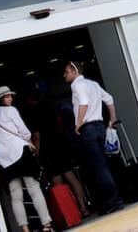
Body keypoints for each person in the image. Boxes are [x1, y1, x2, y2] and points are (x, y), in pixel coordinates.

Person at [0, 86, 53, 232]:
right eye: (8, 96)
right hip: (21, 154)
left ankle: (24, 228)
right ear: (1, 99)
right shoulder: (11, 111)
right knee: (34, 189)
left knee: (16, 196)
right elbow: (24, 132)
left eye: (10, 96)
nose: (11, 98)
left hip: (5, 161)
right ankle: (46, 225)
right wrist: (27, 141)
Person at [62, 61, 125, 215]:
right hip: (100, 127)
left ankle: (112, 202)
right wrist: (112, 120)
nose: (64, 75)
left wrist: (78, 123)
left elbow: (83, 103)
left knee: (98, 167)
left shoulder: (77, 85)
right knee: (106, 165)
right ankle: (113, 199)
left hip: (88, 129)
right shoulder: (93, 84)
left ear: (75, 72)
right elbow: (109, 99)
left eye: (66, 72)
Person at [23, 84, 90, 218]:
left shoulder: (34, 112)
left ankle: (70, 214)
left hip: (48, 150)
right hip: (61, 144)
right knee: (71, 177)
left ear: (30, 100)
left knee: (58, 184)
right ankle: (84, 208)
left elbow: (37, 137)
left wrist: (36, 153)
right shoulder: (52, 106)